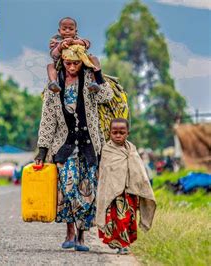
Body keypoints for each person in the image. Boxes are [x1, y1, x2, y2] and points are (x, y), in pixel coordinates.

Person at [35, 45, 113, 251]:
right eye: (68, 63)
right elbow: (48, 119)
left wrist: (98, 72)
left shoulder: (89, 81)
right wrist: (42, 150)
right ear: (63, 63)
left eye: (76, 63)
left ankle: (81, 237)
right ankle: (69, 232)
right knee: (68, 190)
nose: (71, 67)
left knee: (87, 193)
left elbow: (107, 97)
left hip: (89, 147)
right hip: (64, 147)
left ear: (82, 63)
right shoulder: (54, 85)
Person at [97, 118, 156, 255]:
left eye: (121, 132)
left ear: (128, 133)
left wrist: (139, 188)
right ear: (109, 133)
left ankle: (125, 243)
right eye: (115, 132)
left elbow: (139, 172)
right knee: (117, 220)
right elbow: (105, 175)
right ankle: (121, 245)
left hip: (130, 193)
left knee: (128, 219)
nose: (118, 135)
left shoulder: (132, 150)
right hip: (113, 195)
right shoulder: (107, 150)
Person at [47, 17, 100, 93]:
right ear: (59, 31)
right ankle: (53, 82)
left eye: (71, 29)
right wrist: (60, 47)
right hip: (62, 65)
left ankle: (95, 81)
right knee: (50, 66)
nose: (67, 31)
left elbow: (87, 43)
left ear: (76, 31)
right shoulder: (56, 41)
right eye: (64, 29)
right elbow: (53, 55)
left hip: (81, 63)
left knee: (94, 58)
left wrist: (74, 42)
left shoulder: (78, 39)